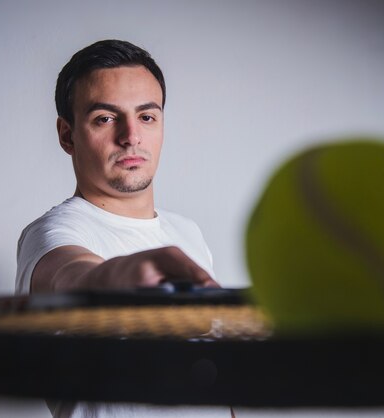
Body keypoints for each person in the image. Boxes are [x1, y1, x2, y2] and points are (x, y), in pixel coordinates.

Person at [15, 40, 231, 418]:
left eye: (147, 116)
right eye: (105, 118)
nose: (131, 135)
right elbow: (71, 273)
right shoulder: (53, 233)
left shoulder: (188, 233)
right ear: (67, 135)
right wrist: (114, 277)